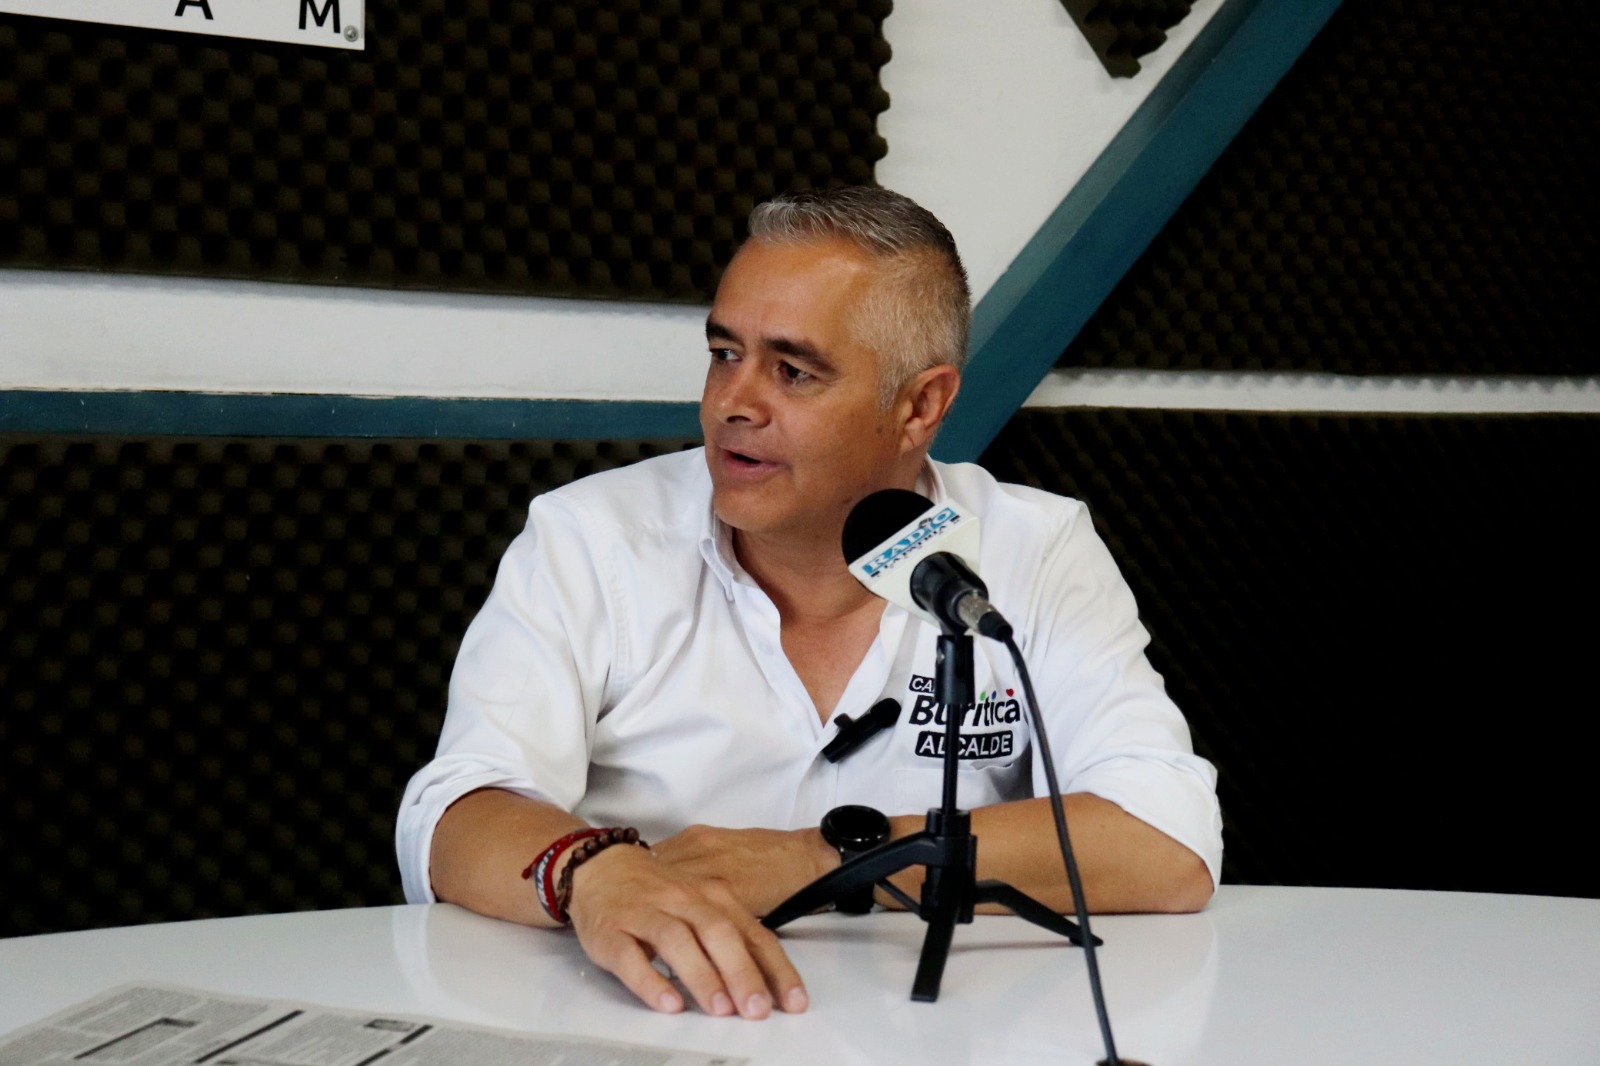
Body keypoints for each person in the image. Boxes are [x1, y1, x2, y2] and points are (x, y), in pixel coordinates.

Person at [396, 186, 1222, 1021]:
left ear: (920, 406)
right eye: (725, 353)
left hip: (940, 1031)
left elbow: (1166, 840)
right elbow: (453, 816)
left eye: (793, 371)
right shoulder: (590, 537)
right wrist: (593, 872)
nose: (733, 403)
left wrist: (819, 858)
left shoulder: (1034, 549)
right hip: (648, 1020)